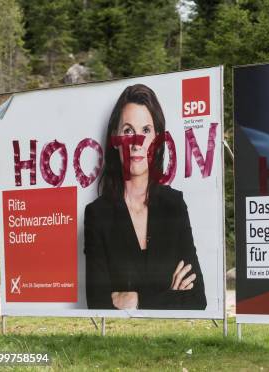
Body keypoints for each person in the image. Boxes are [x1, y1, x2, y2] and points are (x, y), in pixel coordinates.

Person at [84, 84, 206, 310]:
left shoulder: (174, 205)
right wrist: (168, 294)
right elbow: (97, 303)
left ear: (157, 140)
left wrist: (136, 300)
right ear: (115, 139)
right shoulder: (97, 214)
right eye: (128, 131)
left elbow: (196, 299)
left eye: (146, 131)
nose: (136, 143)